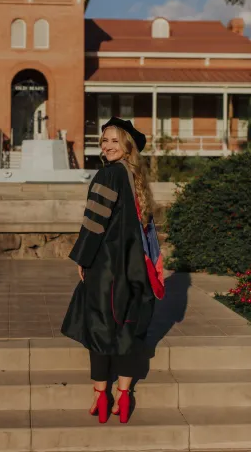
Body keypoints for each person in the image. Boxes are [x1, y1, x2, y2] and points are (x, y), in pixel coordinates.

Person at [61, 117, 165, 424]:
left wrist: (84, 258)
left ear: (127, 145)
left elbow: (95, 223)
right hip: (134, 270)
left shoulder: (108, 175)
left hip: (108, 268)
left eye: (114, 141)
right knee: (128, 331)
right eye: (104, 140)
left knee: (100, 328)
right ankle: (123, 395)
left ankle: (100, 395)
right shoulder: (135, 176)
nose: (107, 146)